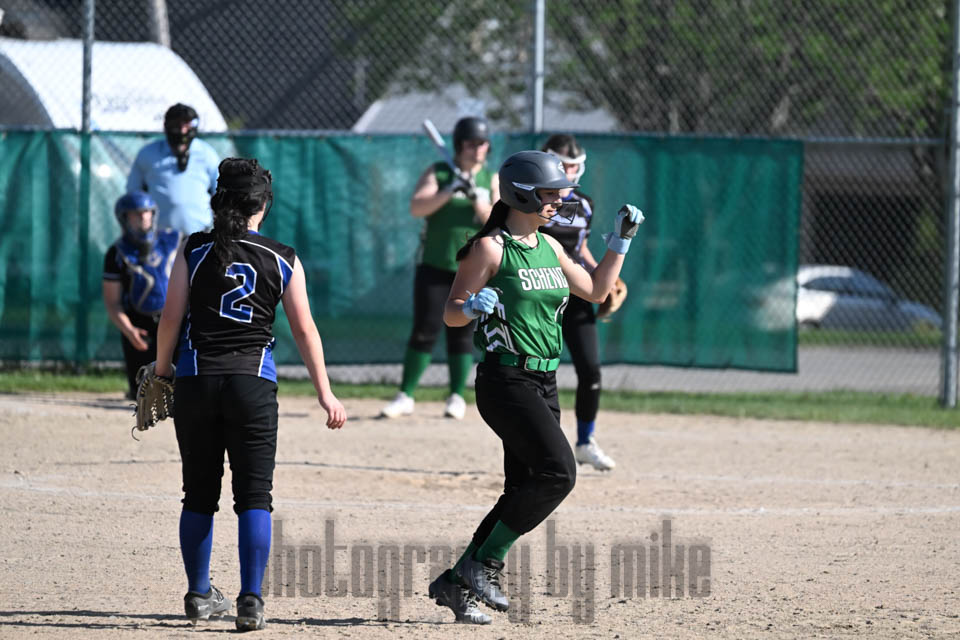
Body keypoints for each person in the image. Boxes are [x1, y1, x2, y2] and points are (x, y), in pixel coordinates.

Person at [427, 150, 643, 622]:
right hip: (505, 379)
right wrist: (471, 307)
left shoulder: (550, 246)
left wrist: (620, 242)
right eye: (550, 194)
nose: (558, 201)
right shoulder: (490, 249)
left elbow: (596, 291)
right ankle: (485, 564)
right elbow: (451, 312)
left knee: (522, 487)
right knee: (558, 473)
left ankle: (456, 582)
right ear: (522, 193)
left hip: (544, 380)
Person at [153, 157, 347, 630]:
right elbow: (304, 329)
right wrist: (325, 392)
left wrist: (161, 371)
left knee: (198, 494)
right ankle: (250, 601)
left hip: (197, 379)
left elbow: (171, 318)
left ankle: (199, 593)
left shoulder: (194, 249)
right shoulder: (282, 257)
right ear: (264, 205)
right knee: (255, 496)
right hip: (252, 383)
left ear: (219, 201)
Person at [380, 116, 500, 420]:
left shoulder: (491, 178)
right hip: (434, 263)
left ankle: (456, 396)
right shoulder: (440, 172)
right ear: (459, 145)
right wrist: (450, 190)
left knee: (462, 329)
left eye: (483, 144)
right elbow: (417, 206)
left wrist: (477, 199)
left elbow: (497, 223)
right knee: (425, 328)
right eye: (472, 143)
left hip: (472, 268)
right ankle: (406, 394)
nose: (478, 149)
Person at [539, 134, 615, 471]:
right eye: (563, 165)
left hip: (576, 293)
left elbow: (579, 248)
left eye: (573, 166)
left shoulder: (584, 204)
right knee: (540, 369)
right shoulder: (535, 199)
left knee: (591, 369)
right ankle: (540, 446)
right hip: (540, 292)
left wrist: (602, 277)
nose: (569, 171)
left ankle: (585, 442)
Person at [102, 191, 182, 400]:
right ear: (124, 218)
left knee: (181, 387)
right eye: (136, 214)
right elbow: (112, 302)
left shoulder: (173, 240)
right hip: (139, 324)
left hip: (172, 317)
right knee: (142, 393)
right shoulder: (117, 253)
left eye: (147, 212)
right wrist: (129, 331)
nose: (143, 217)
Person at [127, 103, 220, 235]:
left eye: (187, 125)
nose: (182, 131)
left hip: (200, 234)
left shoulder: (207, 153)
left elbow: (219, 192)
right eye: (177, 125)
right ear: (167, 126)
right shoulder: (148, 154)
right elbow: (134, 193)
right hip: (159, 237)